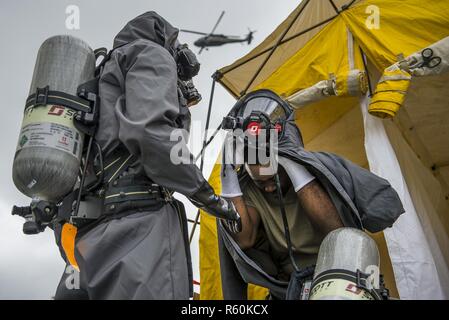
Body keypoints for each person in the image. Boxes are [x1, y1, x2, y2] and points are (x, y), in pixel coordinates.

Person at [54, 11, 240, 300]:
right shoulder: (152, 53)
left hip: (88, 241)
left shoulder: (103, 75)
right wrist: (207, 196)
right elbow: (152, 133)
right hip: (138, 234)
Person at [217, 89, 404, 299]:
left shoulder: (322, 170)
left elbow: (336, 234)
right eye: (260, 182)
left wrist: (292, 160)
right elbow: (244, 239)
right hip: (290, 288)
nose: (268, 187)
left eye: (272, 178)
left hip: (342, 278)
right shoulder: (247, 191)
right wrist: (228, 175)